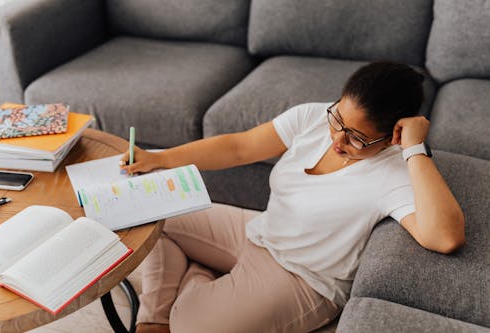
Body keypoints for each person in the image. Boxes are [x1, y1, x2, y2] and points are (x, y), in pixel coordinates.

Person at [120, 62, 465, 333]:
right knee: (154, 213)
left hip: (302, 278)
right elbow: (239, 147)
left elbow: (445, 237)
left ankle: (196, 278)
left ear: (393, 136)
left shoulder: (394, 172)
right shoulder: (314, 116)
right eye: (338, 119)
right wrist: (160, 158)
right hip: (260, 232)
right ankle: (155, 318)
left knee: (190, 326)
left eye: (357, 138)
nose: (337, 140)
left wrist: (416, 148)